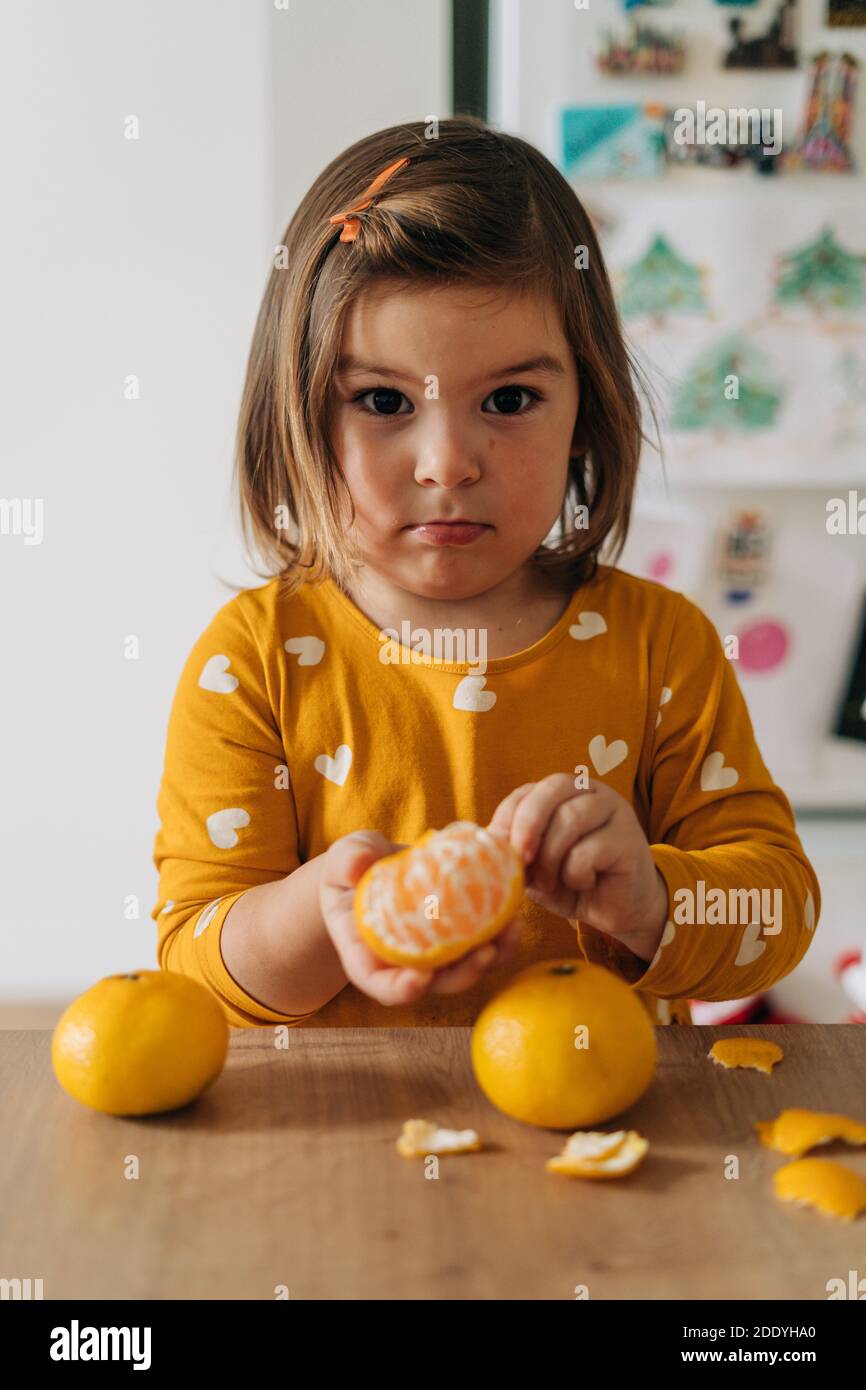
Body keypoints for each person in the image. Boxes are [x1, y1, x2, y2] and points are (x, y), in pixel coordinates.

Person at [151, 116, 820, 1028]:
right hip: (343, 1145)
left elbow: (775, 912)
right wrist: (323, 910)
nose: (448, 463)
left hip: (604, 1137)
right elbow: (195, 960)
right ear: (300, 413)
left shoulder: (662, 648)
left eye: (510, 399)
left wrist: (653, 898)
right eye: (382, 400)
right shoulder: (255, 660)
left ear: (588, 408)